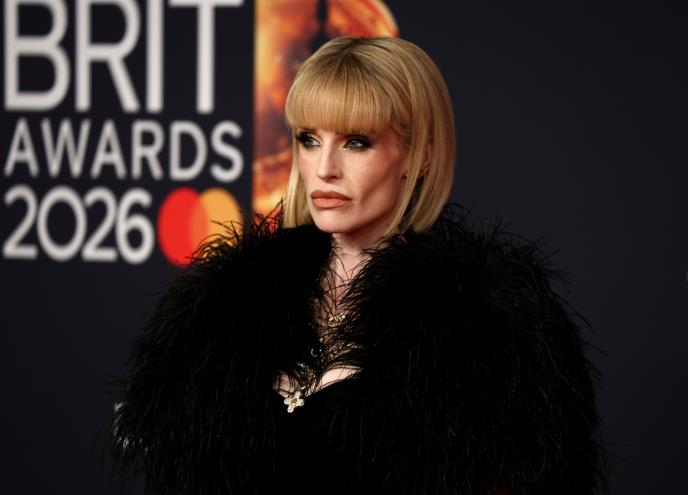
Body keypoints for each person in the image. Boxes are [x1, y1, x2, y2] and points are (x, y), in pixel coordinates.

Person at [112, 37, 607, 494]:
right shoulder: (224, 309)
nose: (324, 168)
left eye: (356, 142)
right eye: (309, 139)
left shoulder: (486, 326)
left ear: (419, 156)